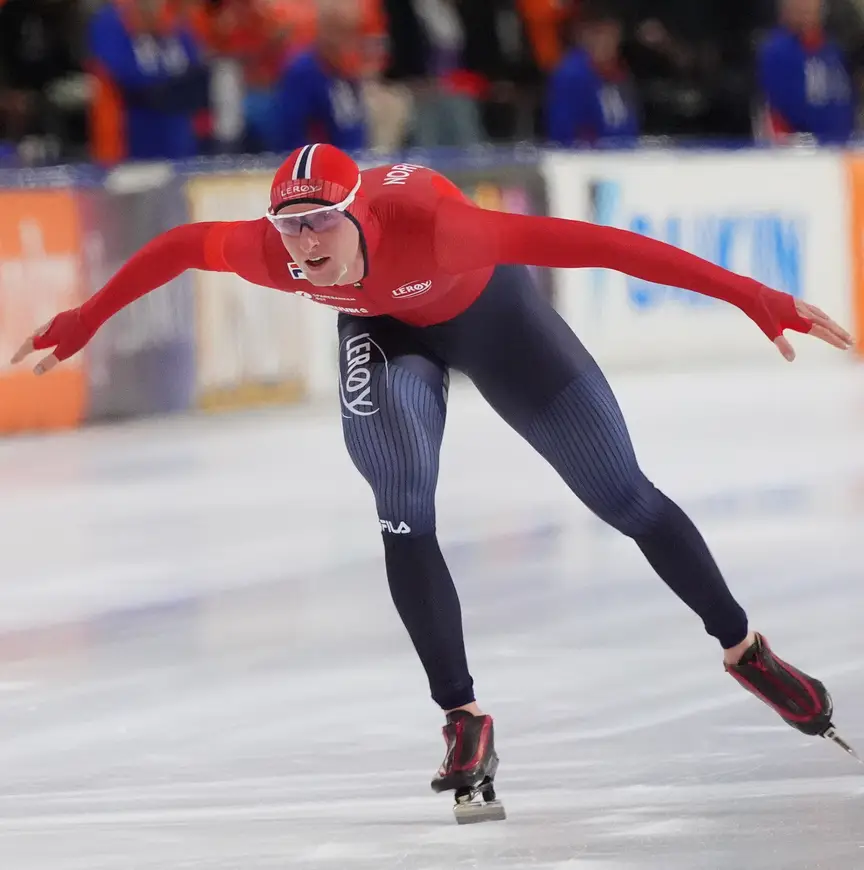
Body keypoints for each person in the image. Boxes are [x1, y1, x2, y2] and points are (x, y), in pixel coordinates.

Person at [12, 143, 856, 820]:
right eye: (290, 229)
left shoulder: (441, 226)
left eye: (321, 228)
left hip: (494, 321)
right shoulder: (271, 252)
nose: (305, 250)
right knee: (403, 509)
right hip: (385, 333)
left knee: (622, 496)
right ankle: (463, 717)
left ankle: (744, 648)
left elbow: (609, 246)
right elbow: (173, 249)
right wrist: (84, 322)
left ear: (358, 215)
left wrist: (752, 295)